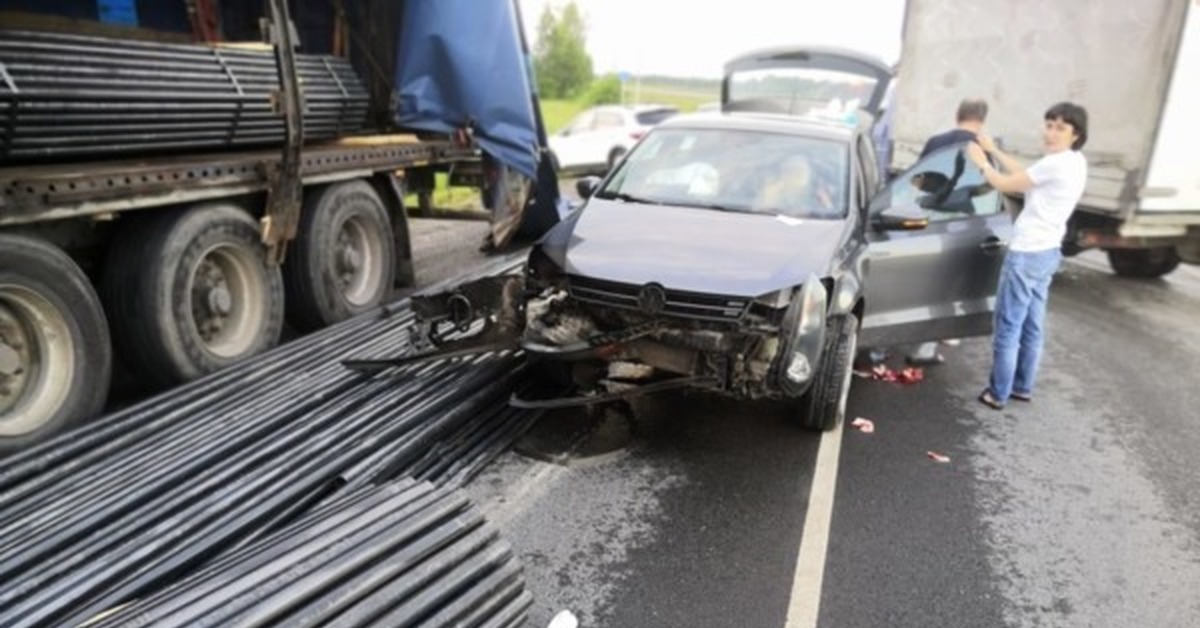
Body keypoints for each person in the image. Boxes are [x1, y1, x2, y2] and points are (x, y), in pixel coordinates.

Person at [966, 102, 1089, 409]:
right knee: (1032, 325)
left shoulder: (1055, 164)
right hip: (1048, 252)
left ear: (1076, 134)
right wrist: (995, 150)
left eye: (1061, 128)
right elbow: (1026, 175)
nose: (1051, 132)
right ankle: (1022, 386)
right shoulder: (1074, 161)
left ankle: (997, 393)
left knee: (1008, 327)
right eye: (1049, 124)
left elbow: (1006, 184)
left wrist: (982, 162)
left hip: (1027, 253)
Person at [906, 98, 990, 365]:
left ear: (958, 114)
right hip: (963, 220)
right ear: (982, 119)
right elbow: (989, 188)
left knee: (925, 277)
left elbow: (918, 178)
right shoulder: (983, 147)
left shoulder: (936, 141)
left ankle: (906, 333)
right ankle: (932, 343)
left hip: (931, 215)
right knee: (950, 283)